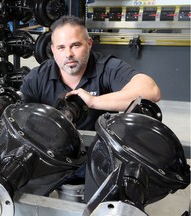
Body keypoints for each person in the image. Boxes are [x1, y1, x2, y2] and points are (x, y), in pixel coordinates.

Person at [20, 15, 161, 131]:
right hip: (53, 153)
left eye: (75, 45)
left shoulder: (106, 67)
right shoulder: (37, 77)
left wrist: (94, 101)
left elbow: (151, 91)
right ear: (53, 49)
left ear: (89, 44)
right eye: (61, 47)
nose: (68, 54)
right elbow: (17, 118)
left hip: (96, 153)